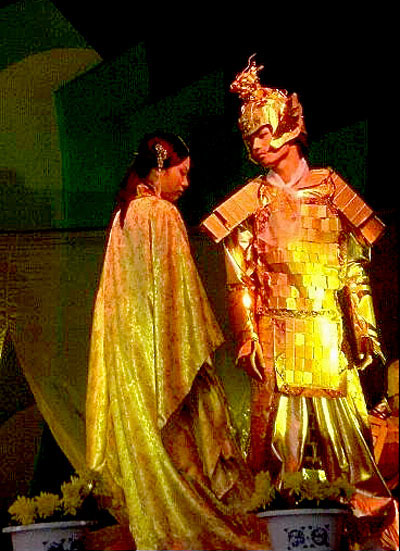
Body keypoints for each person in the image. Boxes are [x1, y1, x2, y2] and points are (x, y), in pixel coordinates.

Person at [201, 57, 399, 550]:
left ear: (290, 126)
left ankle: (370, 535)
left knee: (350, 447)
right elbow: (239, 280)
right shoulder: (248, 203)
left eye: (263, 133)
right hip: (276, 339)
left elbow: (355, 269)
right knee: (277, 450)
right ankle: (278, 535)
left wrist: (365, 329)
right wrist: (247, 334)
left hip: (329, 337)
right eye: (249, 138)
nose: (257, 145)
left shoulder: (333, 191)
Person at [85, 131, 269, 551]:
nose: (186, 183)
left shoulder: (123, 216)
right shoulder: (161, 214)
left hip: (128, 360)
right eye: (182, 173)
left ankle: (159, 528)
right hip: (163, 352)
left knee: (147, 453)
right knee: (189, 447)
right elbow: (177, 295)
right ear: (160, 167)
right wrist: (195, 348)